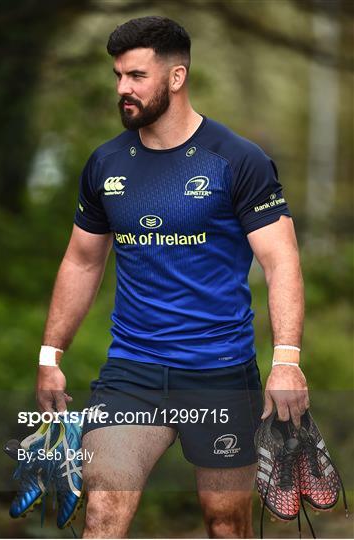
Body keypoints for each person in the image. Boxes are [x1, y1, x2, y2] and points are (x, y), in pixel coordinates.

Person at [36, 16, 309, 539]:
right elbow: (82, 261)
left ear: (177, 77)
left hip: (220, 373)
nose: (123, 89)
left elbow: (282, 262)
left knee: (226, 524)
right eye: (118, 75)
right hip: (132, 373)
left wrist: (287, 363)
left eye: (136, 76)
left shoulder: (237, 160)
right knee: (103, 510)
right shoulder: (106, 164)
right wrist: (50, 357)